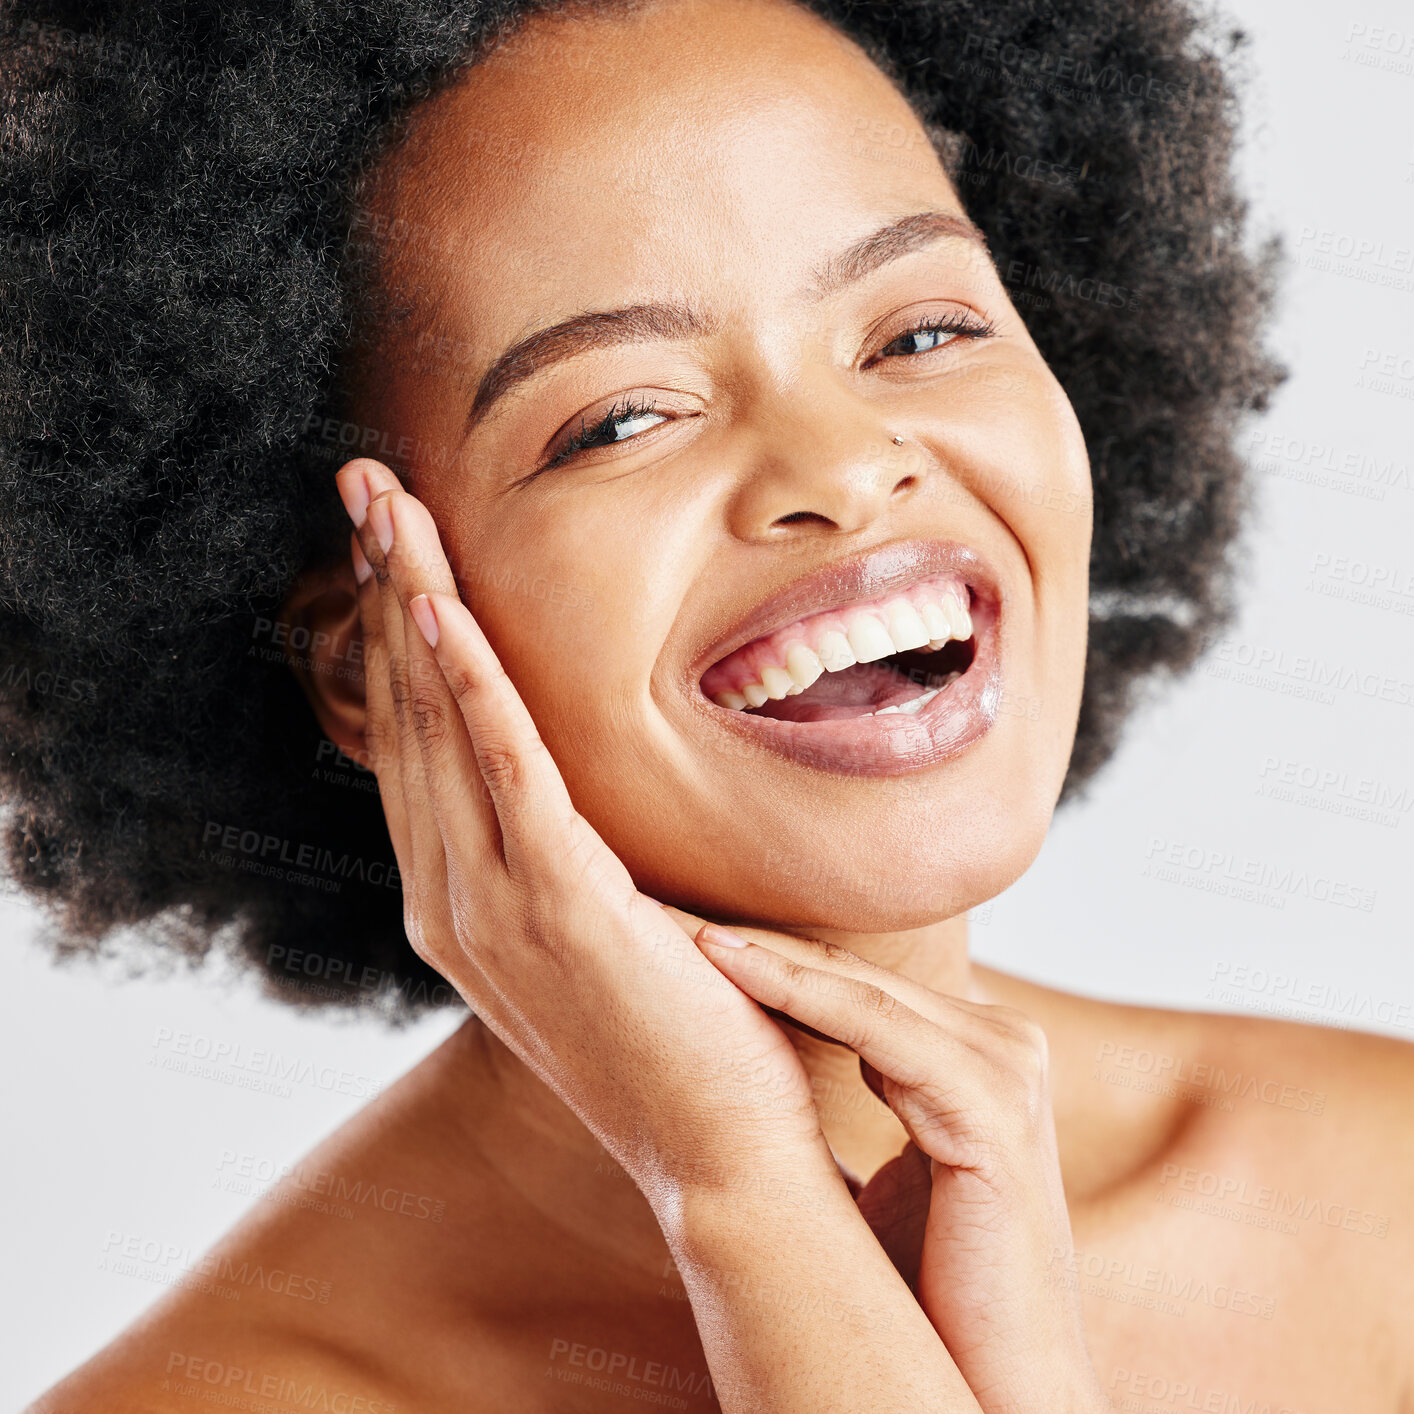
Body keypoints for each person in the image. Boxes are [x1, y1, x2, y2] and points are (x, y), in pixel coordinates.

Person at [5, 0, 1409, 1410]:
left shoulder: (1373, 1196)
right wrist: (744, 1205)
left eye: (920, 329)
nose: (845, 467)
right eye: (621, 419)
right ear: (372, 664)